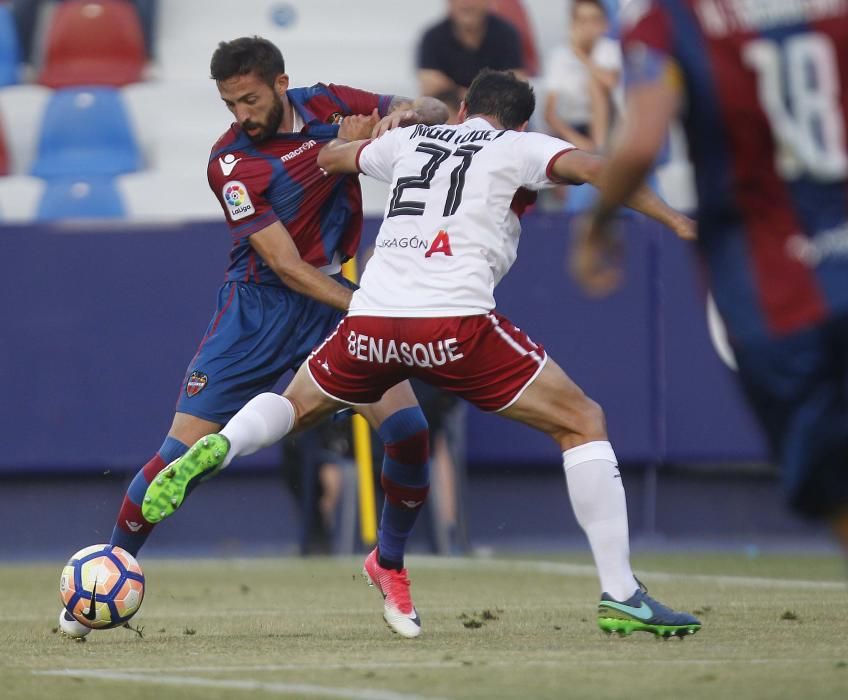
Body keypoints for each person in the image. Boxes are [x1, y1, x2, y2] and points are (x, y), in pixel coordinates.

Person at [163, 69, 701, 640]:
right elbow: (598, 169)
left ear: (464, 107)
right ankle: (622, 594)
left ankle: (226, 444)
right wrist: (676, 219)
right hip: (452, 325)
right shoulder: (520, 144)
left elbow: (327, 160)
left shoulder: (408, 140)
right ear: (520, 121)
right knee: (582, 420)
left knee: (295, 406)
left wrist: (356, 132)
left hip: (369, 318)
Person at [58, 36, 448, 638]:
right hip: (259, 309)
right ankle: (107, 574)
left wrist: (399, 120)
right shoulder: (231, 164)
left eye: (249, 99)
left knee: (409, 431)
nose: (241, 114)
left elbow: (436, 111)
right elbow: (288, 268)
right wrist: (369, 306)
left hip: (333, 304)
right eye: (229, 103)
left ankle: (389, 564)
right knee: (176, 457)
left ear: (281, 83)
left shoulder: (330, 105)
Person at [574, 2, 848, 552]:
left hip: (777, 296)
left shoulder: (669, 18)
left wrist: (598, 225)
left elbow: (643, 138)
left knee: (836, 491)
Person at [543, 0, 621, 153]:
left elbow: (613, 83)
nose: (588, 27)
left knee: (595, 85)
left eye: (594, 20)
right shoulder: (559, 56)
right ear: (573, 24)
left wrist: (582, 56)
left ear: (604, 23)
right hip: (570, 128)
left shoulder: (610, 50)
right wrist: (576, 139)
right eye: (582, 20)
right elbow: (549, 113)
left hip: (607, 126)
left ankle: (599, 150)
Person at [417, 0, 525, 97]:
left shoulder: (506, 34)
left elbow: (517, 82)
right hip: (452, 112)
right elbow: (429, 85)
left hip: (495, 112)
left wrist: (454, 91)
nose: (466, 3)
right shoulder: (432, 37)